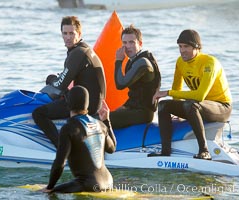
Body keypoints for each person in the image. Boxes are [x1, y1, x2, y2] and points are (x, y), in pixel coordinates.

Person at [149, 29, 232, 160]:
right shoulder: (180, 62)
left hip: (221, 107)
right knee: (164, 105)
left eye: (186, 46)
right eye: (180, 47)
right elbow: (177, 90)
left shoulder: (209, 63)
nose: (182, 50)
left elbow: (200, 96)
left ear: (197, 47)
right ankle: (165, 151)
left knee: (191, 105)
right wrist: (176, 112)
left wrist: (167, 92)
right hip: (199, 105)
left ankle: (204, 151)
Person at [32, 16, 106, 148]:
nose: (68, 37)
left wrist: (50, 79)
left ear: (79, 34)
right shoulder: (84, 49)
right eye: (65, 33)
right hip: (92, 102)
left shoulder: (78, 53)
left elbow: (60, 84)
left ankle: (60, 147)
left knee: (38, 113)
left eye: (72, 33)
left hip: (85, 105)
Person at [41, 85, 116, 193]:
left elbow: (60, 163)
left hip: (87, 184)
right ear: (87, 104)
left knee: (44, 193)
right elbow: (112, 148)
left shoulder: (69, 128)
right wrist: (106, 121)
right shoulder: (100, 125)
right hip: (108, 182)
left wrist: (49, 187)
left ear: (68, 104)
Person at [110, 24, 161, 129]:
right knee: (107, 114)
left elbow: (120, 84)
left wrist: (118, 61)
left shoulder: (143, 62)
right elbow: (136, 93)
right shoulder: (132, 61)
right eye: (124, 43)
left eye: (131, 42)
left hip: (144, 114)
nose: (127, 46)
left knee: (103, 118)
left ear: (140, 43)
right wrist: (125, 106)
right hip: (134, 109)